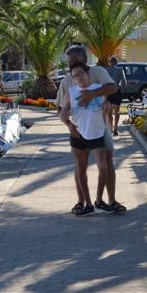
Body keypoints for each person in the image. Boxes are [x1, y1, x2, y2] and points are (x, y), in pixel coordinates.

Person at [56, 45, 126, 214]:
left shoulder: (98, 72)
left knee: (107, 164)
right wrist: (69, 125)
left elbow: (113, 87)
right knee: (80, 166)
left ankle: (110, 200)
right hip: (78, 132)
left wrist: (92, 95)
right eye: (69, 61)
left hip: (101, 130)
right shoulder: (67, 81)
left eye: (73, 60)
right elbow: (60, 108)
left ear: (84, 59)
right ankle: (82, 202)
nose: (70, 64)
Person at [61, 64, 110, 216]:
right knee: (81, 170)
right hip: (78, 136)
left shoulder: (99, 89)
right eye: (75, 76)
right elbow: (63, 113)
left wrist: (106, 109)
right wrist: (69, 125)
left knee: (103, 168)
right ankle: (88, 204)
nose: (79, 77)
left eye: (81, 73)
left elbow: (105, 108)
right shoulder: (71, 92)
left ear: (87, 74)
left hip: (97, 134)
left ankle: (99, 200)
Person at [104, 56, 127, 136]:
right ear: (116, 63)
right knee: (117, 111)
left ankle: (111, 128)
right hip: (117, 91)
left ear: (110, 63)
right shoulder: (120, 70)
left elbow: (104, 82)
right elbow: (124, 82)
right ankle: (115, 128)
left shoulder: (106, 70)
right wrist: (121, 89)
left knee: (109, 112)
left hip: (109, 92)